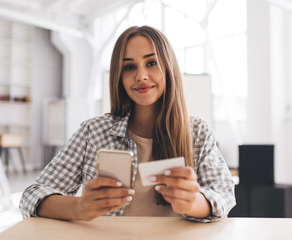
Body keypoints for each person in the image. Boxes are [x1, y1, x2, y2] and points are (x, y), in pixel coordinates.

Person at [19, 25, 236, 223]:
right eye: (129, 67)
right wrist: (79, 207)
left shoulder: (196, 133)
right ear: (119, 77)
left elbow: (224, 195)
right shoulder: (92, 132)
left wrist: (194, 202)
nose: (141, 76)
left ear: (169, 68)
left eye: (151, 63)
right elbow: (32, 195)